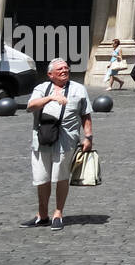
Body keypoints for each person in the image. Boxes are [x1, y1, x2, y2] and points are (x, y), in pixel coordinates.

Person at [22, 59, 92, 231]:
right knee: (42, 178)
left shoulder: (78, 89)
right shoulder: (41, 89)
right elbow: (30, 106)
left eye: (66, 68)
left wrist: (88, 137)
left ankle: (58, 213)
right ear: (50, 74)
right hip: (42, 141)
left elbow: (86, 115)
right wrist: (51, 97)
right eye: (60, 69)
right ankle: (42, 215)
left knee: (61, 178)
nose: (64, 70)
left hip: (66, 142)